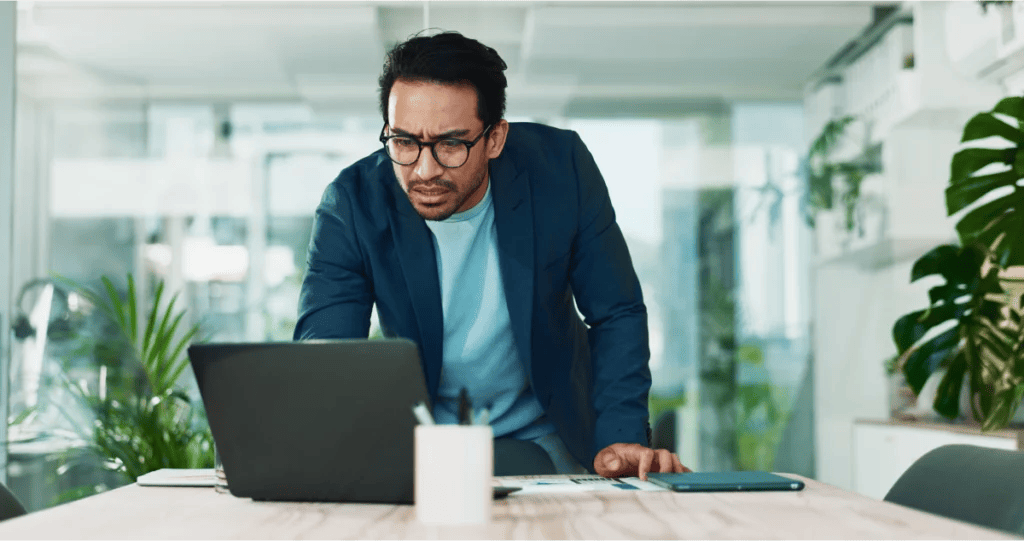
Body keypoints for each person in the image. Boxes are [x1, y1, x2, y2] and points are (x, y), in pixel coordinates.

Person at [294, 30, 689, 480]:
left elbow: (616, 311)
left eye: (451, 144)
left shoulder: (561, 170)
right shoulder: (352, 204)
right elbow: (326, 358)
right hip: (425, 449)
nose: (425, 170)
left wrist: (622, 435)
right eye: (403, 142)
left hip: (553, 438)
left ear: (495, 138)